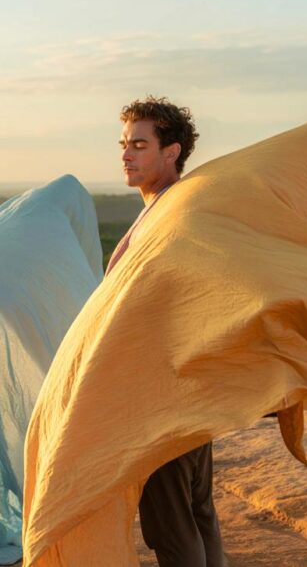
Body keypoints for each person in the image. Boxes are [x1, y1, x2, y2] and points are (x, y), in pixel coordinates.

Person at [112, 97, 225, 566]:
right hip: (184, 387)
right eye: (124, 144)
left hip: (163, 393)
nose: (126, 154)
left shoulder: (171, 215)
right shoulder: (169, 209)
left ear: (171, 151)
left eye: (139, 145)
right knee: (196, 514)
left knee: (172, 523)